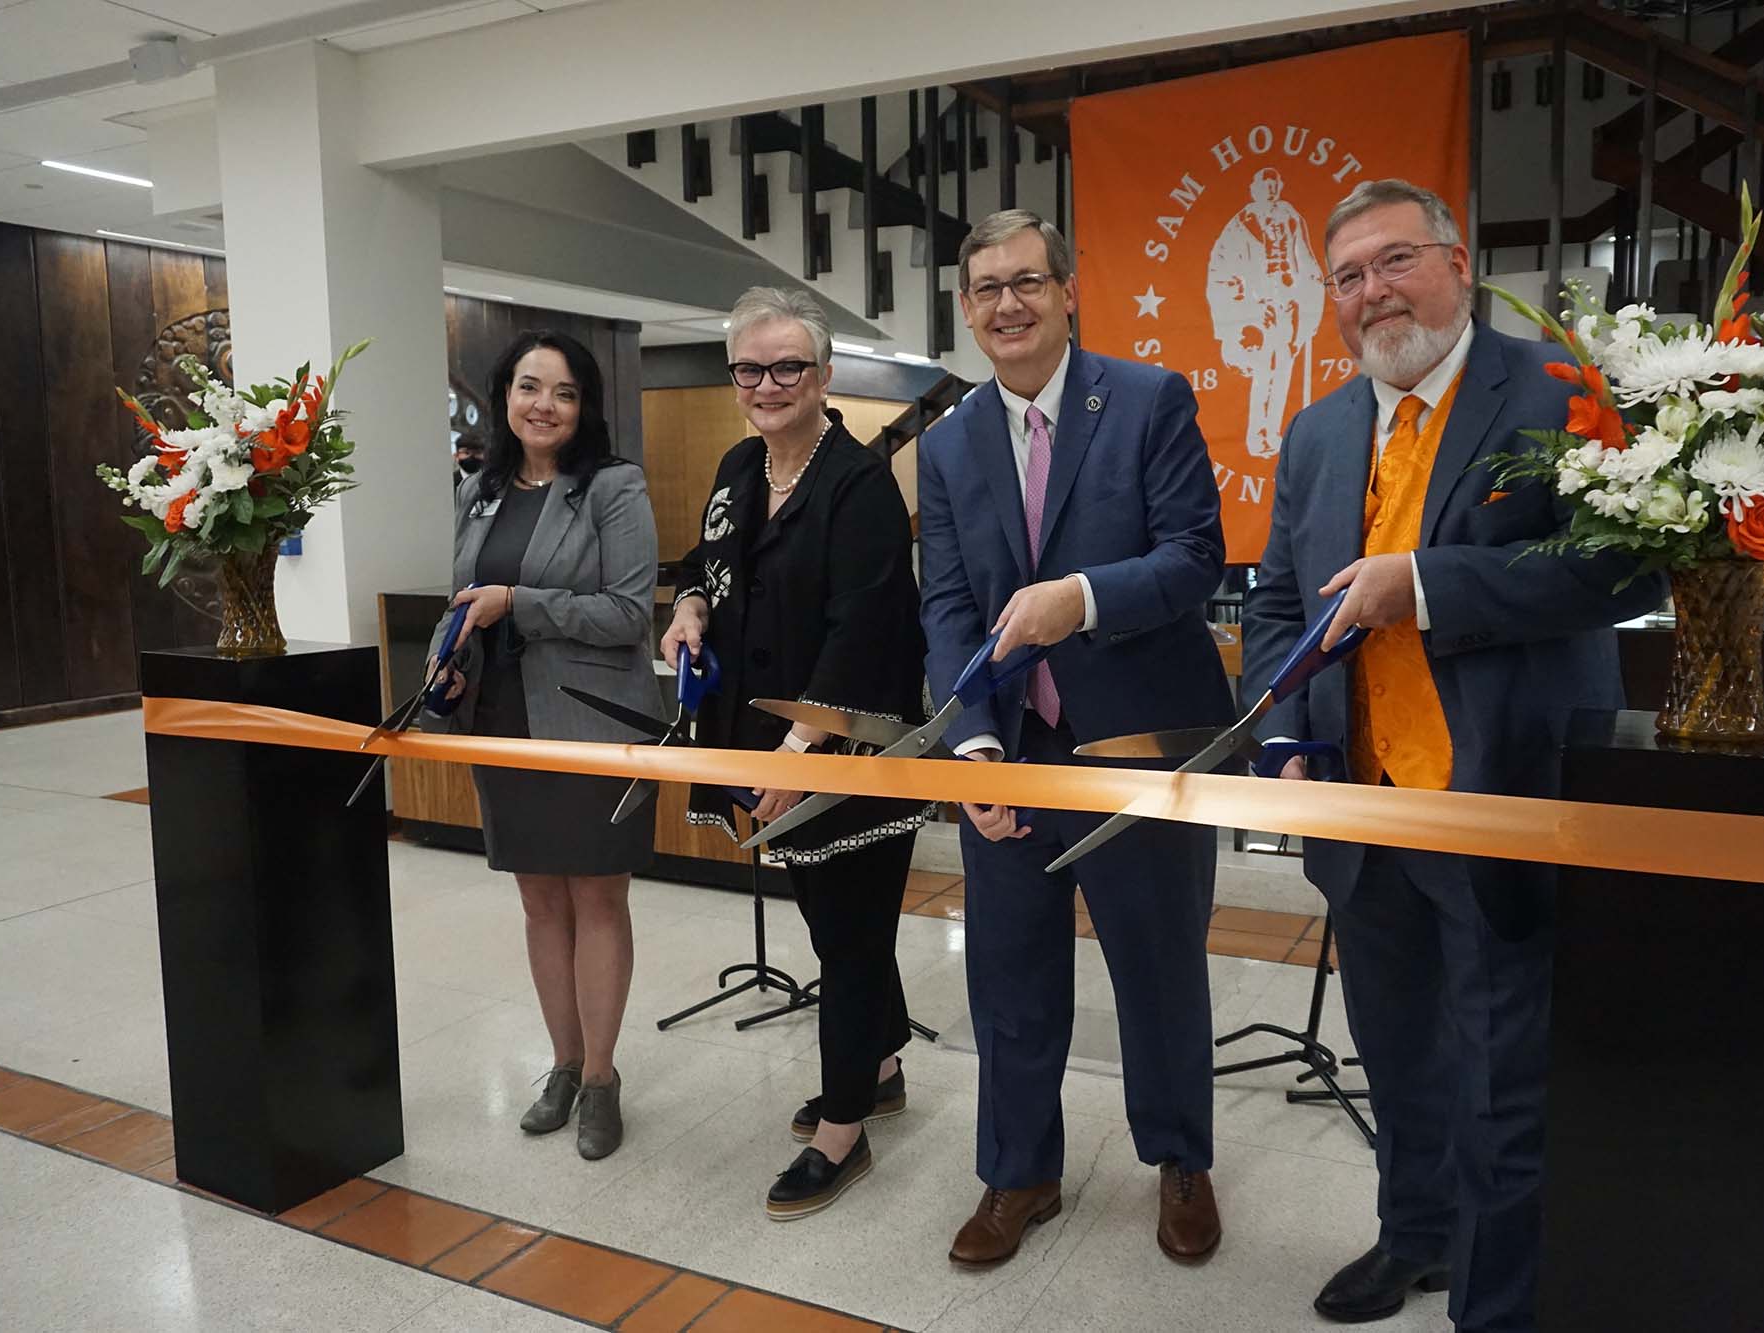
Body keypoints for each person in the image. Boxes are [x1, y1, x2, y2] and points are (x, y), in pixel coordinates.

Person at [1241, 179, 1664, 1331]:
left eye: (1393, 262)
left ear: (1454, 262)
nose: (1371, 292)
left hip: (1502, 801)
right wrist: (1282, 738)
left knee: (1503, 1084)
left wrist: (1425, 585)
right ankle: (1414, 1236)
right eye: (1346, 276)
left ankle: (1498, 1300)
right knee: (1398, 1057)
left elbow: (1625, 568)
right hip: (1363, 811)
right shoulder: (1321, 430)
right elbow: (1277, 603)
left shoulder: (1554, 390)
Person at [917, 209, 1235, 1268]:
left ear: (1067, 291)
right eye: (985, 289)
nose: (1006, 304)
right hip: (1010, 749)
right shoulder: (947, 442)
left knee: (1157, 964)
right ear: (966, 311)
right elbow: (949, 607)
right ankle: (1017, 1173)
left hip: (1140, 746)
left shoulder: (1144, 400)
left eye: (1026, 282)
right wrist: (967, 746)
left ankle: (1180, 1159)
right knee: (1007, 972)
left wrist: (1082, 599)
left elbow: (1195, 556)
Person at [659, 286, 930, 1220]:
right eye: (749, 368)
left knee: (851, 936)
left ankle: (844, 1127)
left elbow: (865, 629)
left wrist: (799, 749)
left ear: (823, 377)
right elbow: (708, 561)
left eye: (787, 367)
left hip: (844, 755)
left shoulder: (857, 485)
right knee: (832, 924)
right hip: (763, 744)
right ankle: (881, 1062)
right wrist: (689, 605)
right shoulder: (740, 465)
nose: (766, 384)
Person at [426, 329, 661, 1162]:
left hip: (593, 720)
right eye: (530, 388)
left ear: (584, 405)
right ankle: (560, 1063)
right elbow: (463, 598)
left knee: (597, 898)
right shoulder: (478, 490)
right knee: (538, 901)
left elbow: (631, 613)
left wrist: (517, 602)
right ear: (505, 396)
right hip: (502, 716)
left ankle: (601, 1077)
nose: (544, 406)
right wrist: (447, 662)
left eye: (563, 392)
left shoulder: (612, 488)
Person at [1207, 166, 1325, 458]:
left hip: (1289, 304)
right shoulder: (1240, 224)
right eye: (1265, 184)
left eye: (1275, 183)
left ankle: (1273, 431)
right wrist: (1249, 305)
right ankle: (1256, 435)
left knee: (1283, 367)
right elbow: (1222, 269)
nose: (1270, 189)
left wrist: (1311, 294)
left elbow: (1305, 257)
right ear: (1254, 188)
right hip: (1259, 311)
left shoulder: (1290, 217)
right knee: (1264, 370)